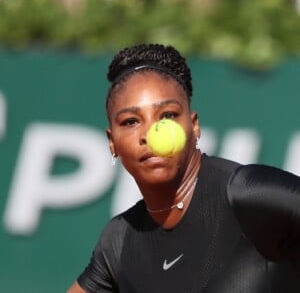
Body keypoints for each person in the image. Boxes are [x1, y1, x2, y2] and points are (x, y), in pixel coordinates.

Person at [67, 44, 300, 293]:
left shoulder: (249, 195)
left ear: (194, 125)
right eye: (131, 121)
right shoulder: (118, 241)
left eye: (167, 115)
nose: (149, 134)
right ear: (112, 142)